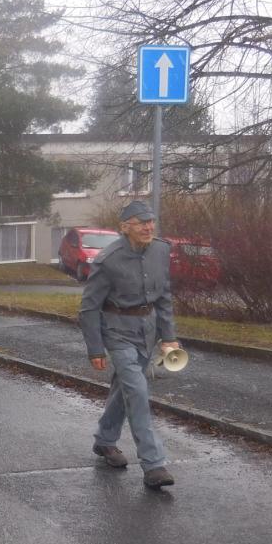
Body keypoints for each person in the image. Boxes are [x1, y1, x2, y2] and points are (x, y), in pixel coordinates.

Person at [78, 199, 179, 489]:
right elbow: (89, 308)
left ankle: (105, 440)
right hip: (117, 332)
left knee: (125, 387)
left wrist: (168, 337)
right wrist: (95, 348)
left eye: (151, 222)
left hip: (147, 332)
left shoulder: (161, 250)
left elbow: (164, 297)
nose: (149, 227)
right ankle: (154, 464)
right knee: (137, 391)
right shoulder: (108, 260)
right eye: (141, 223)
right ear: (125, 227)